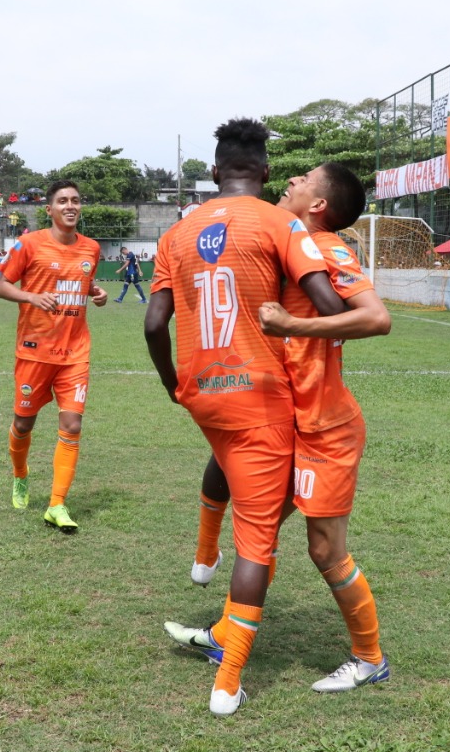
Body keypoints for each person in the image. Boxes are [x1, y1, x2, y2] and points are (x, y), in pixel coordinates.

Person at [167, 161, 394, 695]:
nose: (291, 182)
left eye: (303, 180)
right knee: (258, 530)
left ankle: (370, 658)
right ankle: (226, 635)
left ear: (318, 206)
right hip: (288, 421)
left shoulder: (328, 248)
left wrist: (291, 325)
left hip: (325, 427)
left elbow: (376, 318)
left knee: (325, 550)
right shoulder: (287, 242)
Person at [144, 118, 343, 716]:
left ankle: (204, 561)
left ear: (213, 172)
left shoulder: (178, 231)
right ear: (263, 172)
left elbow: (155, 323)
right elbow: (332, 306)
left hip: (202, 391)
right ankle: (227, 682)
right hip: (258, 395)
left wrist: (173, 383)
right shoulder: (280, 221)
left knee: (233, 466)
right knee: (258, 541)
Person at [0, 179, 108, 533]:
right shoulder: (29, 244)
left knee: (72, 425)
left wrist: (97, 292)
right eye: (63, 201)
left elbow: (83, 283)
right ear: (50, 209)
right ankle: (20, 474)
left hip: (75, 352)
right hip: (34, 351)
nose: (70, 206)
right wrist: (31, 297)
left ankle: (57, 504)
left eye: (75, 200)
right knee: (23, 424)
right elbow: (1, 286)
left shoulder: (91, 248)